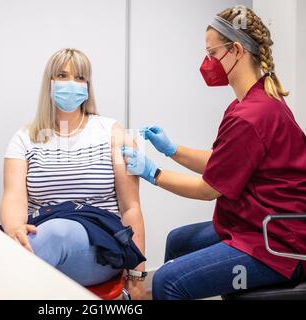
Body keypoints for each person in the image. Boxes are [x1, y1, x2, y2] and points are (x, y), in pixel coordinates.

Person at [121, 6, 306, 300]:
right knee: (178, 240)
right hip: (254, 223)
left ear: (235, 50)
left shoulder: (252, 114)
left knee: (167, 280)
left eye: (212, 53)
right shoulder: (248, 103)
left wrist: (153, 173)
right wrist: (172, 150)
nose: (207, 63)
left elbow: (209, 189)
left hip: (277, 245)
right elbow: (224, 163)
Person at [0, 48, 147, 299]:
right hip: (41, 239)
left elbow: (131, 207)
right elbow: (14, 197)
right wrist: (15, 230)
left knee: (57, 233)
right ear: (49, 82)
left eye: (80, 77)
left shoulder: (112, 132)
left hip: (100, 248)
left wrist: (136, 278)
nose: (72, 83)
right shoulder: (24, 138)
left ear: (88, 86)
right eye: (62, 75)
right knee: (23, 241)